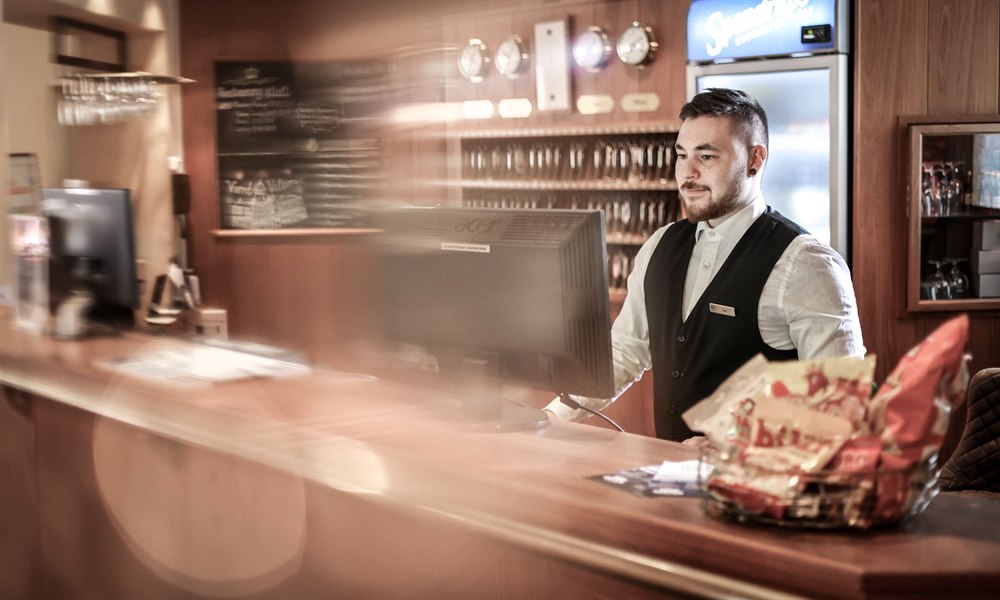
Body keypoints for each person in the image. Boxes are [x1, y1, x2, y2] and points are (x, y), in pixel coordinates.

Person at [545, 88, 866, 441]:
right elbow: (625, 351)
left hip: (761, 487)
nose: (687, 173)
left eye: (707, 156)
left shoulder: (806, 263)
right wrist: (548, 417)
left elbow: (840, 402)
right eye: (681, 155)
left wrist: (738, 446)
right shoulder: (659, 246)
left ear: (755, 160)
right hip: (669, 478)